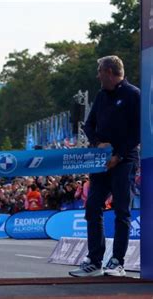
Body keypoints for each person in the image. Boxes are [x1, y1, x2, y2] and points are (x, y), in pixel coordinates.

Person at [69, 56, 140, 277]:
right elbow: (88, 125)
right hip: (100, 161)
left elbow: (137, 131)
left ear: (109, 71)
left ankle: (117, 260)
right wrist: (98, 143)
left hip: (124, 160)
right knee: (93, 206)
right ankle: (94, 259)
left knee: (121, 210)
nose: (97, 75)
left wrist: (118, 155)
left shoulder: (132, 95)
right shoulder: (101, 96)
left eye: (100, 71)